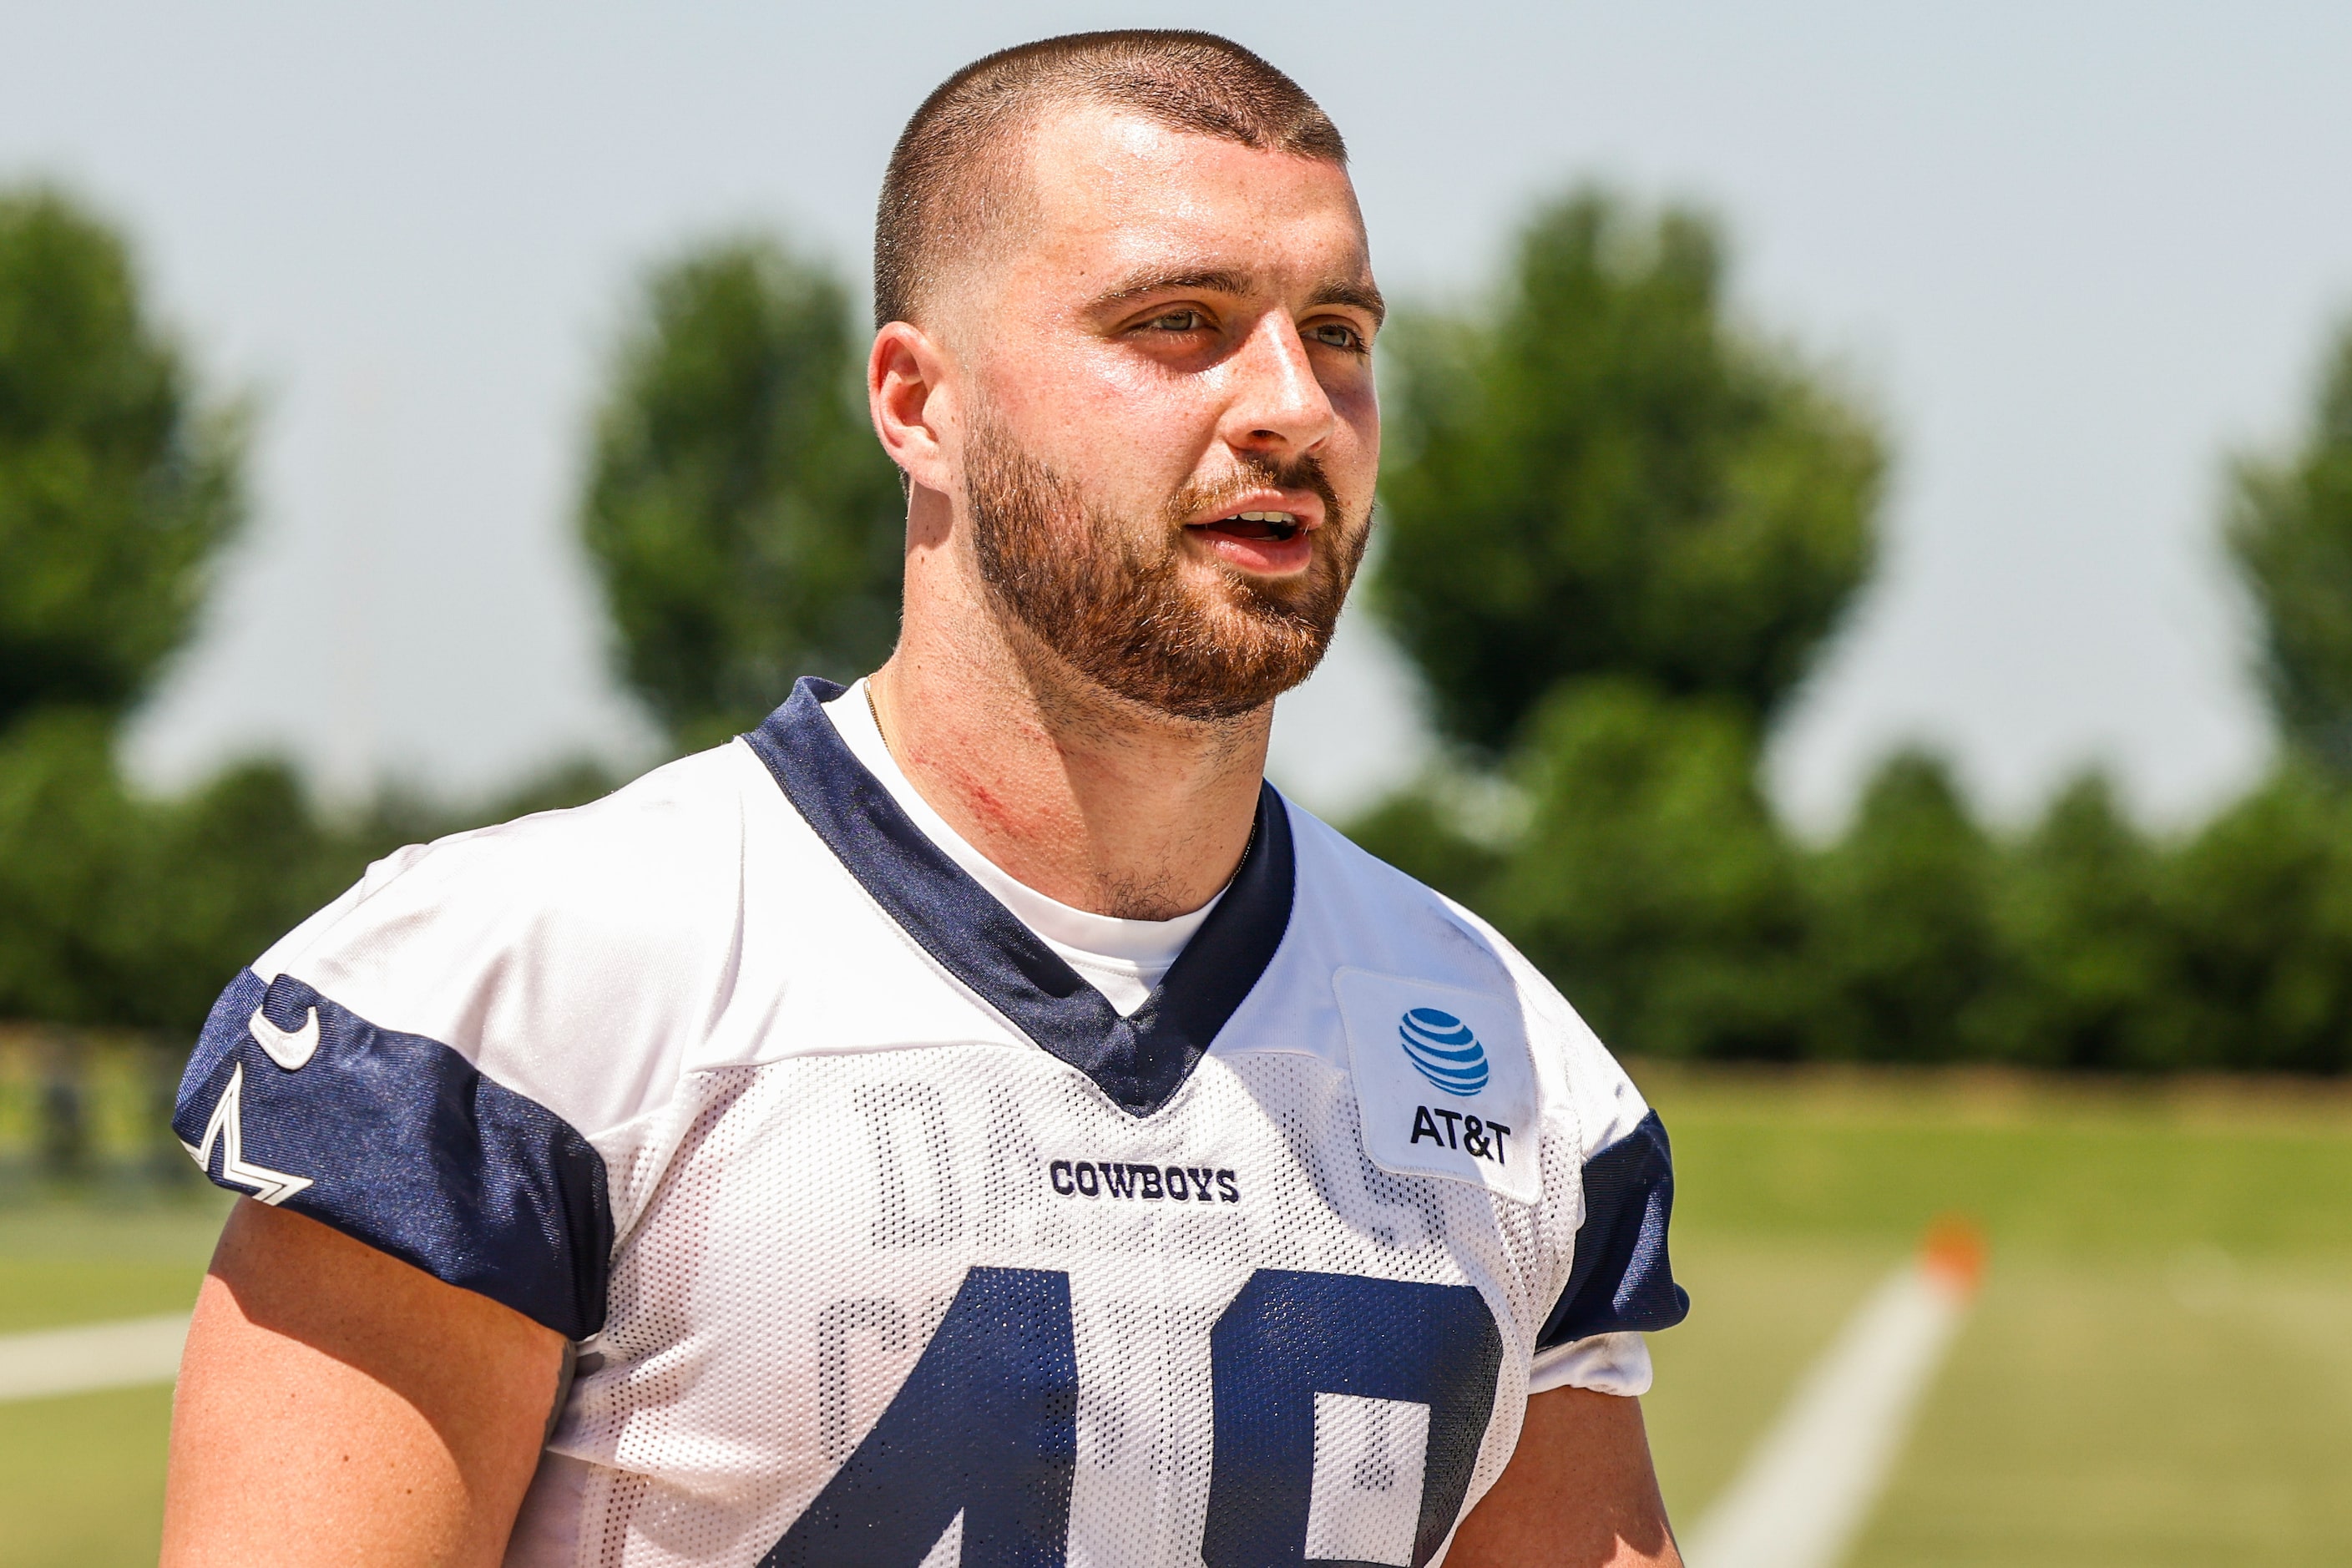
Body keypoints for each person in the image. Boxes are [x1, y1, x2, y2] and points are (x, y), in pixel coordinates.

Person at [161, 30, 1688, 1568]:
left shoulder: (1511, 1058)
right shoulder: (527, 993)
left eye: (1339, 331)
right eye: (1180, 321)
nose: (1292, 403)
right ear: (915, 400)